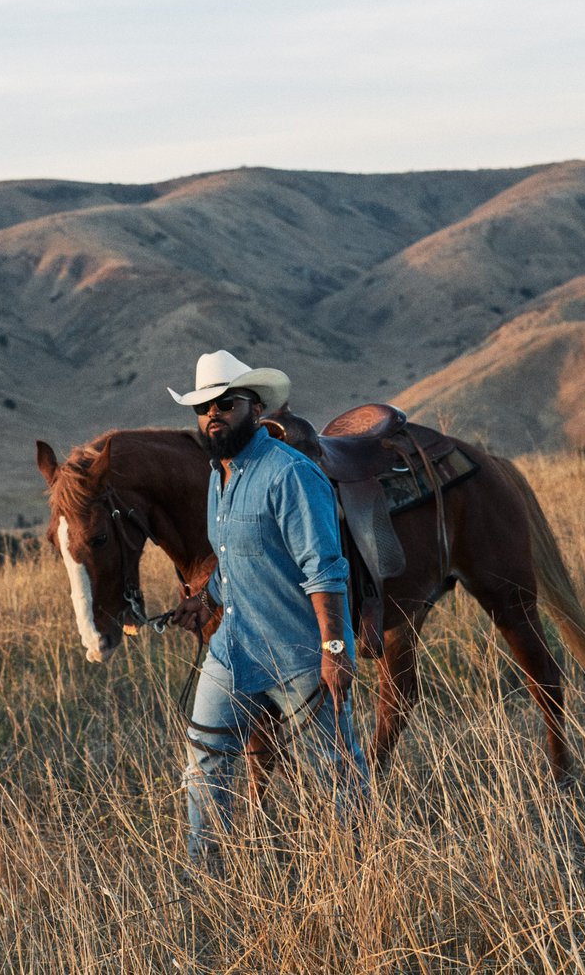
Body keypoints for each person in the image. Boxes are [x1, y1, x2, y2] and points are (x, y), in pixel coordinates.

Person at [167, 349, 369, 867]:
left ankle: (362, 878)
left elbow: (325, 569)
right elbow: (235, 560)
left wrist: (336, 648)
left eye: (226, 404)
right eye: (203, 407)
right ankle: (206, 883)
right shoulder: (219, 477)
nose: (213, 415)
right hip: (233, 652)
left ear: (254, 407)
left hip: (300, 654)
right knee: (204, 764)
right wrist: (204, 600)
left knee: (335, 776)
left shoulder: (290, 475)